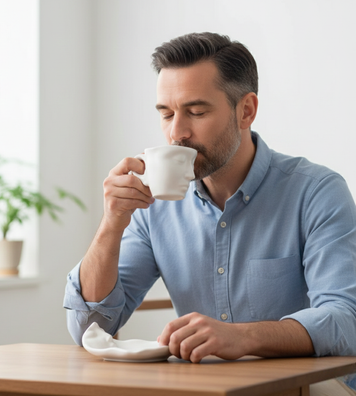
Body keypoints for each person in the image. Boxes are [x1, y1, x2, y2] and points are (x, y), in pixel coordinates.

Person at [64, 32, 356, 394]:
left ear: (246, 110)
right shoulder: (153, 207)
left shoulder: (316, 192)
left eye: (196, 112)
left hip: (314, 388)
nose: (177, 132)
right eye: (166, 114)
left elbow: (346, 321)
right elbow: (90, 328)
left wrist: (243, 337)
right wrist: (111, 224)